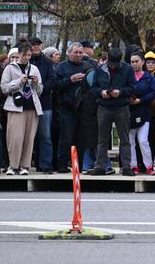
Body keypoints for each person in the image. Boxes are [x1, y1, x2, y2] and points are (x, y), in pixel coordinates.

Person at [89, 49, 135, 176]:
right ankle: (100, 166)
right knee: (102, 139)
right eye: (111, 62)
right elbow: (93, 87)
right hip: (104, 107)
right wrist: (101, 93)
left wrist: (120, 92)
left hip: (122, 107)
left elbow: (132, 87)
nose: (113, 66)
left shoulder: (128, 69)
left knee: (124, 139)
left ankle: (126, 166)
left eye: (116, 63)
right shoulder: (99, 69)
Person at [0, 42, 43, 175]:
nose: (27, 58)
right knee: (15, 137)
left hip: (32, 107)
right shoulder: (10, 68)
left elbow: (40, 90)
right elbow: (4, 88)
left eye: (29, 55)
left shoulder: (34, 68)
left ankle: (25, 165)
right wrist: (19, 81)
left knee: (29, 138)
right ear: (19, 54)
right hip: (15, 106)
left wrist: (35, 82)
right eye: (25, 55)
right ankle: (13, 165)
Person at [54, 42, 94, 172]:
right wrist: (70, 80)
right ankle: (62, 165)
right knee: (66, 138)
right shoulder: (61, 67)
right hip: (67, 108)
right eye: (75, 52)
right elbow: (55, 86)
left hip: (84, 110)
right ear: (69, 53)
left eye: (80, 53)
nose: (78, 55)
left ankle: (80, 165)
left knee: (82, 140)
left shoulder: (88, 66)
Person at [27, 37, 56, 173]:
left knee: (45, 136)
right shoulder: (26, 61)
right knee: (28, 136)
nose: (36, 47)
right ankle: (27, 163)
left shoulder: (48, 62)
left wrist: (41, 88)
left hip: (44, 103)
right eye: (33, 45)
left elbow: (52, 80)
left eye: (38, 44)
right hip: (27, 103)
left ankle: (45, 165)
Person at [126, 52, 155, 175]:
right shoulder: (127, 76)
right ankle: (133, 166)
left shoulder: (149, 77)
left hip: (144, 112)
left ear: (142, 62)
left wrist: (141, 100)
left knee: (143, 140)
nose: (134, 64)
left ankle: (149, 166)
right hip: (129, 112)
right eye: (132, 62)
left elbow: (154, 93)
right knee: (130, 141)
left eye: (136, 61)